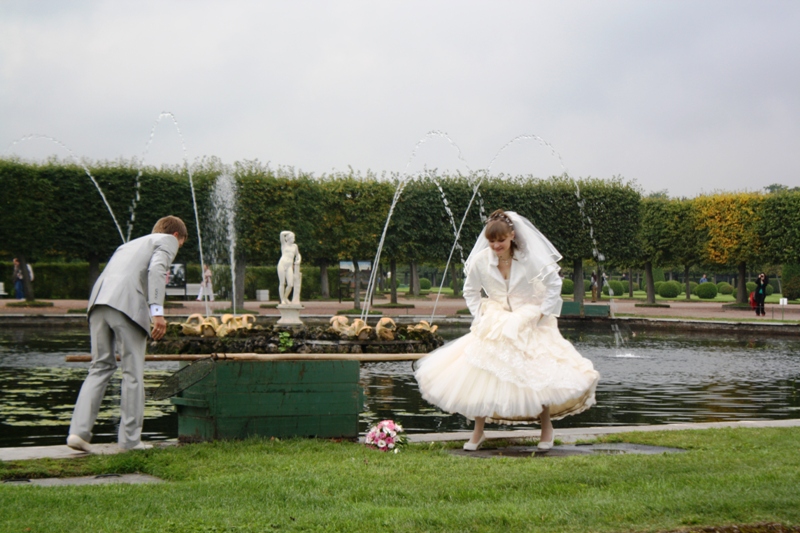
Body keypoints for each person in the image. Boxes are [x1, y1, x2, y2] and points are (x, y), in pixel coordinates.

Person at [414, 210, 600, 452]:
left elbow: (555, 283)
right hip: (495, 319)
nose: (496, 245)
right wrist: (480, 315)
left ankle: (546, 428)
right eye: (491, 241)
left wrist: (544, 312)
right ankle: (478, 432)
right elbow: (470, 290)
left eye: (500, 240)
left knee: (538, 372)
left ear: (512, 235)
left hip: (530, 318)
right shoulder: (481, 260)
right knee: (482, 371)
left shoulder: (530, 258)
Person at [66, 215, 187, 453]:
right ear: (176, 236)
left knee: (100, 366)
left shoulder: (128, 244)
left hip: (98, 303)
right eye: (181, 244)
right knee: (133, 373)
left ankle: (78, 433)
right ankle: (130, 441)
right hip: (127, 306)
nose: (177, 249)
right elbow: (157, 270)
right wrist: (158, 312)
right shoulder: (168, 240)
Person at [277, 230, 301, 304]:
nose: (294, 239)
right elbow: (281, 233)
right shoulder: (284, 244)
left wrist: (299, 260)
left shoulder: (295, 246)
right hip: (282, 264)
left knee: (290, 284)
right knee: (282, 283)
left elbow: (298, 255)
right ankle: (282, 300)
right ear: (288, 238)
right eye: (293, 237)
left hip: (289, 266)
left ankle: (285, 297)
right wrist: (290, 233)